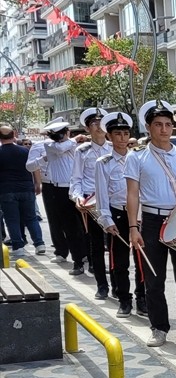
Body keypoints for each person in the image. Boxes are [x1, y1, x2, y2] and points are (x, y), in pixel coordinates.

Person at [126, 100, 176, 348]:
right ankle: (159, 327)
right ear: (148, 127)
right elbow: (132, 194)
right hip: (151, 220)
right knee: (154, 279)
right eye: (158, 124)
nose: (164, 129)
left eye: (168, 124)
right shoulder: (136, 157)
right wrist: (133, 228)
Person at [94, 112, 139, 317]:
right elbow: (102, 193)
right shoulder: (103, 163)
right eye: (117, 134)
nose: (122, 138)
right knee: (119, 261)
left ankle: (143, 298)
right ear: (109, 137)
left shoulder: (138, 158)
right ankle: (124, 299)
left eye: (125, 133)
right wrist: (106, 219)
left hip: (138, 215)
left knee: (141, 260)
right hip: (117, 214)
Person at [69, 107, 113, 297]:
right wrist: (77, 197)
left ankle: (119, 285)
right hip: (92, 203)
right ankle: (102, 285)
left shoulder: (115, 148)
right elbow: (76, 179)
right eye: (94, 124)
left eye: (101, 123)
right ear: (87, 129)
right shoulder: (82, 151)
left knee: (114, 245)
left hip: (113, 202)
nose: (98, 127)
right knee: (96, 244)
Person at [32, 117, 82, 267]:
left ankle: (83, 253)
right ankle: (65, 253)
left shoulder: (75, 144)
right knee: (63, 223)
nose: (59, 137)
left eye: (62, 133)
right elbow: (60, 148)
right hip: (58, 188)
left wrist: (74, 140)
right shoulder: (49, 144)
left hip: (75, 187)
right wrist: (74, 140)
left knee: (79, 224)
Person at [0, 125, 40, 259]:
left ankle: (18, 246)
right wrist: (38, 183)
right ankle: (39, 244)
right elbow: (35, 168)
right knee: (31, 218)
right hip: (27, 188)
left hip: (6, 190)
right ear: (14, 135)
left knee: (12, 219)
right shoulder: (25, 151)